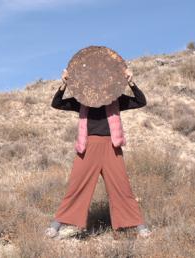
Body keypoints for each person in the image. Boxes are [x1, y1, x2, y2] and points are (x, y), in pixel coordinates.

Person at [45, 68, 151, 239]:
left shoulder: (116, 99)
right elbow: (56, 103)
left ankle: (140, 226)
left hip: (111, 147)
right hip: (88, 147)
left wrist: (131, 82)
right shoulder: (82, 100)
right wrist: (64, 84)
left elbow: (141, 101)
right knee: (76, 186)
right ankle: (56, 225)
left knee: (122, 187)